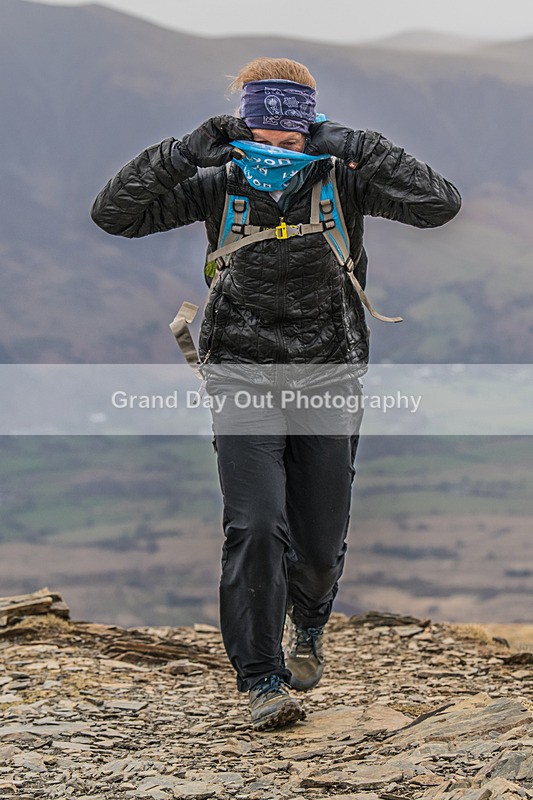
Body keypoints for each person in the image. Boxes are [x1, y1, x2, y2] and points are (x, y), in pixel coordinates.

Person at [91, 57, 461, 731]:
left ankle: (310, 624)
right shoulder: (219, 184)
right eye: (257, 138)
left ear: (313, 132)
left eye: (288, 143)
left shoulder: (342, 181)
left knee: (317, 545)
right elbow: (114, 214)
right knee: (256, 524)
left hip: (329, 373)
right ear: (239, 127)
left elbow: (440, 205)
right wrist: (178, 154)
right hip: (240, 371)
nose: (271, 155)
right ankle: (260, 679)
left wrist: (358, 147)